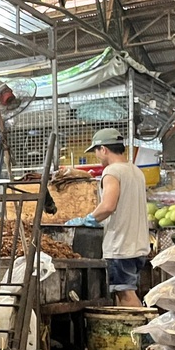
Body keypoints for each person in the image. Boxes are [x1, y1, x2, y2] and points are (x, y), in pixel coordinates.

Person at [68, 127, 150, 307]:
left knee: (126, 294)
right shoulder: (135, 171)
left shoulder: (112, 172)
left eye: (96, 151)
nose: (97, 156)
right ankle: (130, 332)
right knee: (123, 294)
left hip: (121, 246)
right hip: (137, 244)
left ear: (103, 149)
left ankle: (141, 332)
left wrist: (87, 219)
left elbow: (108, 206)